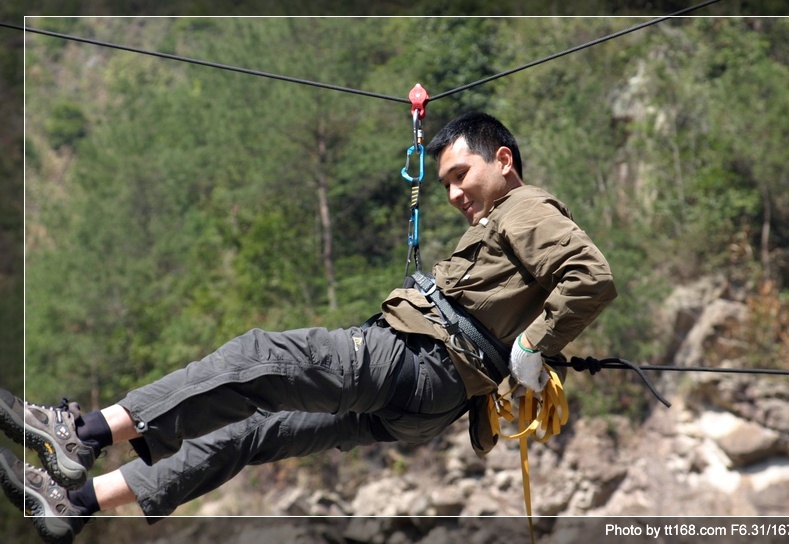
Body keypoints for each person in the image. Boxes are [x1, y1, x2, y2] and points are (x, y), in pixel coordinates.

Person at [0, 111, 617, 543]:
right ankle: (77, 502)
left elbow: (590, 275)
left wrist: (534, 344)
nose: (454, 192)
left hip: (416, 360)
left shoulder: (524, 206)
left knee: (257, 357)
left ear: (503, 160)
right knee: (251, 431)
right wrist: (528, 342)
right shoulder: (498, 220)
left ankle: (79, 434)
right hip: (429, 403)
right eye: (446, 181)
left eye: (462, 175)